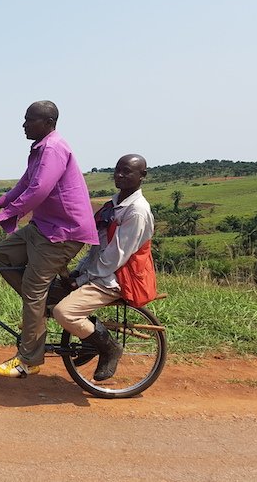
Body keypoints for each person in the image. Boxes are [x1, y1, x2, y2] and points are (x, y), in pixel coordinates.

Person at [0, 100, 98, 378]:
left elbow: (38, 191)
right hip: (44, 227)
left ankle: (29, 359)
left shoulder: (53, 148)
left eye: (29, 119)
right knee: (3, 255)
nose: (24, 124)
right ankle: (42, 308)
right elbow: (24, 185)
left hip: (63, 231)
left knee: (33, 288)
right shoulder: (40, 149)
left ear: (48, 122)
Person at [49, 153, 155, 381]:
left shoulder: (136, 211)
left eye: (127, 171)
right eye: (117, 170)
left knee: (63, 312)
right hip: (100, 273)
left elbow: (115, 257)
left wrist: (82, 279)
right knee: (48, 292)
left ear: (142, 176)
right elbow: (96, 248)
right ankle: (89, 343)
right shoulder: (115, 204)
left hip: (115, 279)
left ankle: (109, 348)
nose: (120, 175)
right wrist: (79, 271)